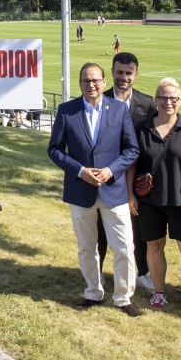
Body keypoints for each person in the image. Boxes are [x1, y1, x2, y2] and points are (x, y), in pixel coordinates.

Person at [47, 62, 143, 317]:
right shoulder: (67, 111)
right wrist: (81, 171)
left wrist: (111, 170)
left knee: (123, 246)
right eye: (86, 81)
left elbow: (131, 149)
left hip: (114, 190)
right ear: (80, 83)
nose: (91, 85)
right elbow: (54, 149)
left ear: (104, 81)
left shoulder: (119, 110)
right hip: (81, 191)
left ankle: (123, 297)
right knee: (87, 246)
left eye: (96, 80)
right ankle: (93, 292)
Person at [127, 78, 181, 317]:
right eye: (163, 97)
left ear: (180, 101)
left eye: (173, 98)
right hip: (150, 201)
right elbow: (132, 163)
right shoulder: (142, 127)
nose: (168, 102)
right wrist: (130, 194)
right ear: (155, 100)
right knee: (154, 245)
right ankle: (159, 291)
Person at [101, 52, 158, 293]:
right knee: (100, 228)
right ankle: (98, 273)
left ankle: (143, 272)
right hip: (104, 175)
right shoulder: (98, 99)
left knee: (138, 228)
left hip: (137, 176)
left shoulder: (147, 104)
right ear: (112, 72)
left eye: (128, 73)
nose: (124, 77)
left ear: (136, 74)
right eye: (119, 72)